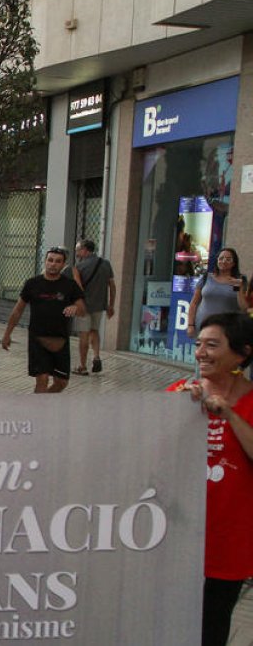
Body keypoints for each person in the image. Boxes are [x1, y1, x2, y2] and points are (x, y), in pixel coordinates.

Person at [175, 313, 253, 646]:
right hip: (178, 535)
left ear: (242, 353)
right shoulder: (181, 393)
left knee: (213, 621)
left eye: (212, 345)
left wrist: (230, 414)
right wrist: (177, 407)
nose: (201, 353)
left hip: (228, 539)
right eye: (198, 344)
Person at [2, 247, 86, 394]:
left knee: (61, 383)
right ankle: (40, 412)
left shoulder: (70, 285)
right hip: (38, 339)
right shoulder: (32, 284)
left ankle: (41, 404)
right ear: (45, 261)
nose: (53, 264)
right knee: (42, 379)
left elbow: (82, 309)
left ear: (63, 264)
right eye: (50, 260)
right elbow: (18, 310)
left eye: (58, 261)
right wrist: (7, 334)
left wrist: (75, 308)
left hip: (60, 341)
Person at [66, 239, 116, 375]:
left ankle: (82, 366)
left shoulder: (79, 267)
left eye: (78, 250)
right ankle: (96, 356)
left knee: (84, 335)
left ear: (85, 250)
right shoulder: (105, 264)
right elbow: (112, 285)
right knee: (94, 330)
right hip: (100, 305)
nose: (76, 253)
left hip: (84, 307)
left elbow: (77, 288)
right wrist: (111, 305)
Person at [188, 247, 248, 342]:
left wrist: (239, 289)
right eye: (221, 258)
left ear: (234, 263)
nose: (224, 261)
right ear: (217, 261)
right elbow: (194, 303)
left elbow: (244, 308)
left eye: (228, 259)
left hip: (227, 328)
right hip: (203, 326)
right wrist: (190, 325)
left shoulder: (238, 280)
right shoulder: (206, 277)